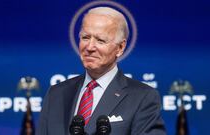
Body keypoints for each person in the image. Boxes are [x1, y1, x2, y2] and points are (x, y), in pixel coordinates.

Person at [36, 7, 166, 135]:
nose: (90, 47)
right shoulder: (56, 94)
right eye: (85, 37)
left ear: (120, 47)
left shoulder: (143, 97)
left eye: (100, 40)